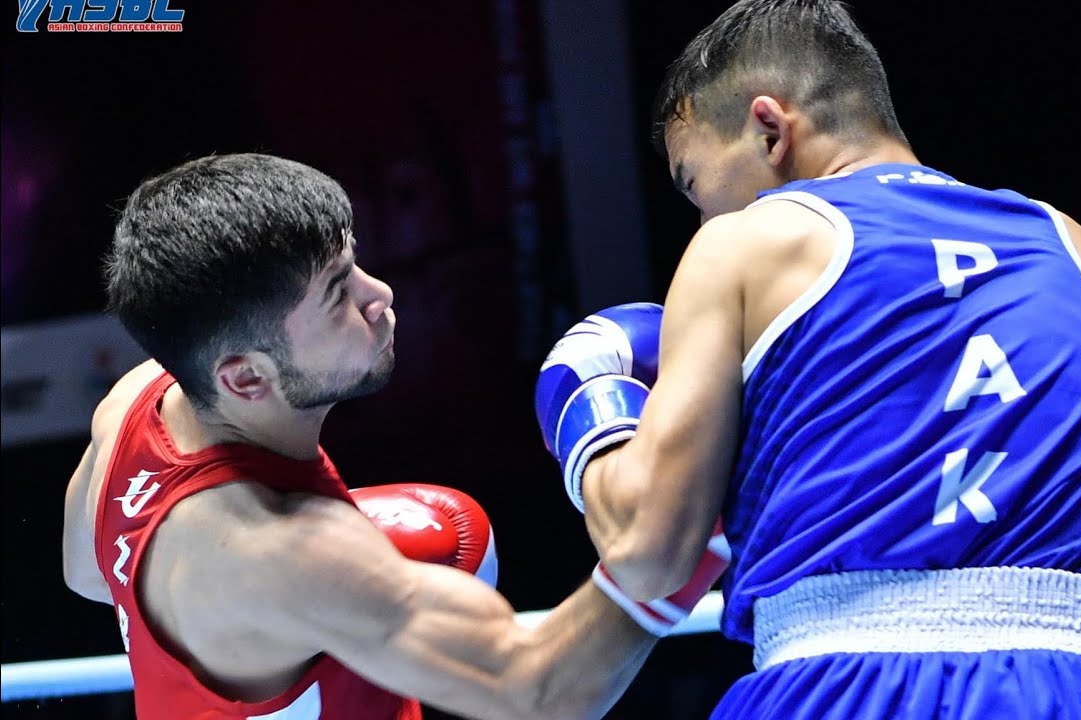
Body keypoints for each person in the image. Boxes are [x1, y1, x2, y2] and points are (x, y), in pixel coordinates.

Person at [534, 1, 1081, 717]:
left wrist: (592, 415)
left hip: (843, 686)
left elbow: (649, 552)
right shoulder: (1079, 253)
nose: (706, 220)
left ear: (770, 129)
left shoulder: (747, 243)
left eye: (696, 185)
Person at [61, 153, 722, 720]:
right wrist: (685, 545)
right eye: (336, 294)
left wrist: (238, 626)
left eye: (355, 265)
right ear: (245, 380)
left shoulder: (133, 405)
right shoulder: (289, 554)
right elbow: (539, 692)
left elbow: (89, 573)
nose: (380, 295)